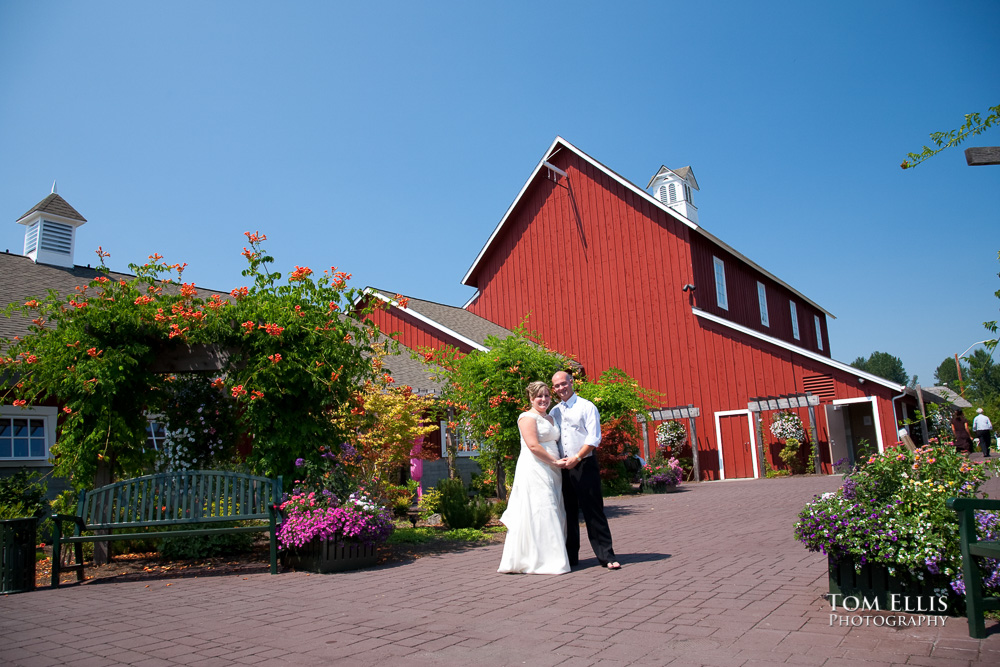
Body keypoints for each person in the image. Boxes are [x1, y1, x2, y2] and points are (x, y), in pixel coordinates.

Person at [550, 370, 621, 570]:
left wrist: (577, 458)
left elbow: (593, 438)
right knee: (568, 513)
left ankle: (606, 556)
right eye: (556, 386)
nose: (561, 388)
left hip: (584, 465)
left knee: (593, 511)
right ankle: (571, 558)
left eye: (564, 383)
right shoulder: (555, 411)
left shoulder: (586, 406)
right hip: (564, 468)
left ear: (571, 382)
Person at [497, 381, 570, 574]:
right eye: (539, 396)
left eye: (546, 395)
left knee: (555, 508)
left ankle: (550, 556)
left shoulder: (551, 418)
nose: (544, 399)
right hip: (536, 468)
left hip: (554, 471)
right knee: (542, 509)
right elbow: (533, 446)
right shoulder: (526, 418)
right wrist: (554, 462)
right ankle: (542, 560)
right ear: (531, 398)